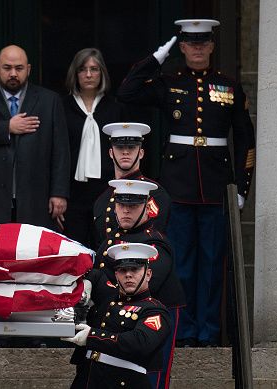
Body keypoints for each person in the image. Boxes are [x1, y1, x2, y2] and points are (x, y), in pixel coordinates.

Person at [116, 19, 256, 347]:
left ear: (211, 46)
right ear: (181, 47)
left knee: (211, 265)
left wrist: (241, 189)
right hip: (178, 186)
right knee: (181, 264)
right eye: (189, 43)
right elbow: (127, 91)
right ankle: (182, 329)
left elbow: (245, 140)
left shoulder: (229, 86)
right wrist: (159, 55)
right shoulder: (170, 83)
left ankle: (207, 333)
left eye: (202, 43)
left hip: (215, 186)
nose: (196, 48)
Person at [0, 45, 70, 232]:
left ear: (28, 69)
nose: (13, 73)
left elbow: (60, 151)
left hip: (35, 196)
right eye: (7, 68)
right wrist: (7, 128)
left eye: (18, 68)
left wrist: (59, 193)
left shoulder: (49, 101)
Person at [94, 179, 185, 389]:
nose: (126, 211)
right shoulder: (112, 240)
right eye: (121, 205)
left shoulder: (155, 243)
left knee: (149, 374)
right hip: (119, 310)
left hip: (156, 309)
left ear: (147, 207)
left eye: (133, 206)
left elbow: (146, 283)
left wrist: (99, 284)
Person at [64, 243, 171, 389]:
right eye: (122, 270)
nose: (128, 274)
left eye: (135, 269)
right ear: (116, 275)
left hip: (123, 382)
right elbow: (92, 272)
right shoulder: (108, 297)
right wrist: (88, 283)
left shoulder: (154, 310)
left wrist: (92, 336)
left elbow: (140, 343)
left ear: (148, 274)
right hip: (87, 377)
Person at [62, 48, 124, 246]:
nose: (88, 74)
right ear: (75, 74)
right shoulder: (62, 107)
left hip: (106, 190)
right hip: (72, 193)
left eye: (94, 69)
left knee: (104, 247)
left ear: (102, 73)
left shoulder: (114, 108)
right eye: (83, 69)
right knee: (74, 249)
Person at [92, 122, 171, 250]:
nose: (125, 152)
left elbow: (153, 237)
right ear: (111, 153)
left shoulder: (155, 193)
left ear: (141, 153)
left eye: (131, 147)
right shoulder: (102, 199)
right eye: (119, 147)